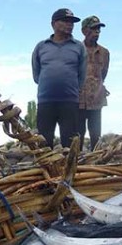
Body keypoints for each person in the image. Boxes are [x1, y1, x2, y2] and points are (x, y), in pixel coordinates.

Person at [32, 8, 87, 149]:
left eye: (72, 22)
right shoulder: (41, 47)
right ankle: (45, 171)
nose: (70, 25)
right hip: (45, 101)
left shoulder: (79, 47)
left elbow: (82, 75)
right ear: (53, 24)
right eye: (66, 21)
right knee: (43, 145)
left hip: (69, 102)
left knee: (70, 145)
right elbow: (36, 75)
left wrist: (71, 89)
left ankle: (69, 171)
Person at [77, 16, 109, 151]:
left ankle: (96, 161)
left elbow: (104, 74)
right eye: (94, 28)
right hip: (78, 98)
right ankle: (76, 162)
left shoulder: (104, 52)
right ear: (84, 30)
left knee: (95, 133)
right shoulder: (76, 49)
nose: (97, 32)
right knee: (78, 133)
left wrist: (98, 87)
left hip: (96, 98)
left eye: (99, 29)